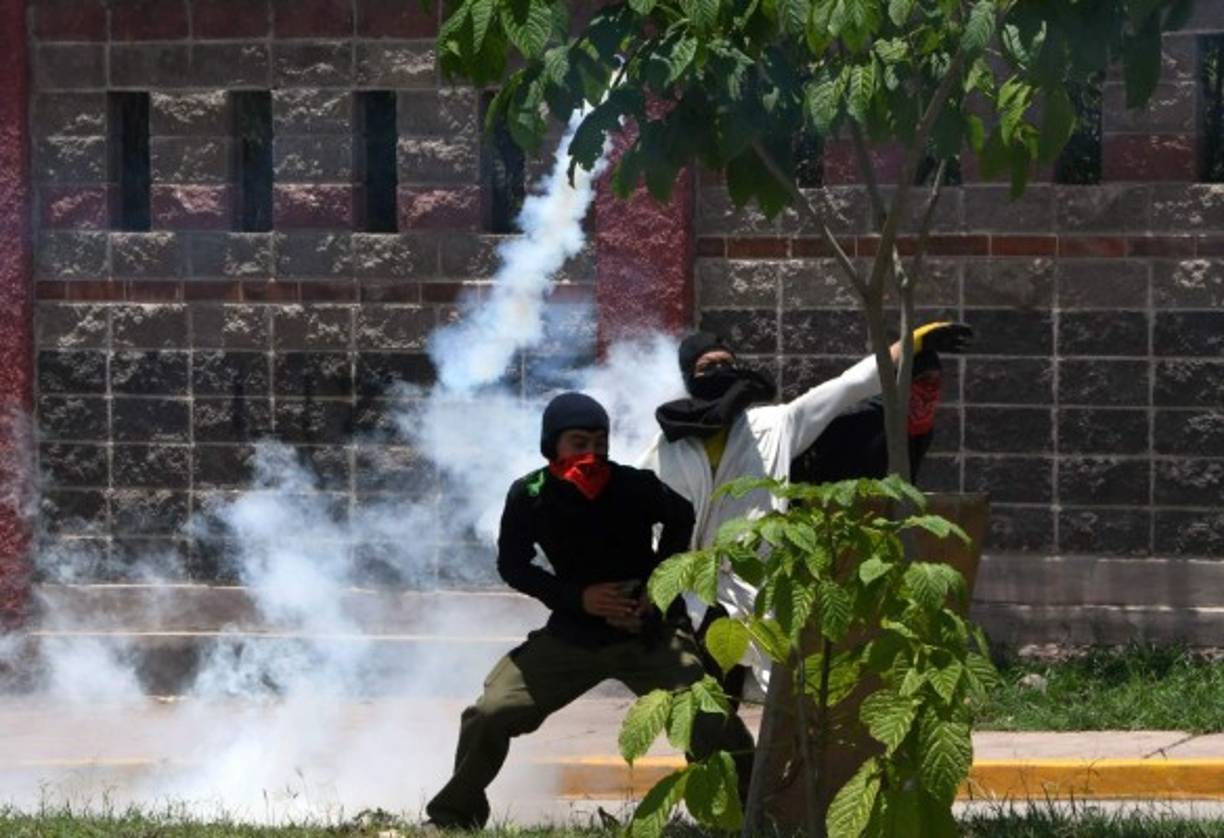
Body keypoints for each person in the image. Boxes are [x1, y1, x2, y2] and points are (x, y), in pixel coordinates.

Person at [425, 392, 756, 829]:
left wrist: (653, 593)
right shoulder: (531, 494)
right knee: (490, 713)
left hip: (647, 634)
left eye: (599, 443)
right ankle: (453, 816)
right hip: (573, 636)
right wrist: (577, 598)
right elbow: (513, 565)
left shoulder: (633, 484)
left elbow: (682, 516)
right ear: (552, 446)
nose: (591, 455)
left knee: (709, 717)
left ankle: (747, 815)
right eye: (578, 443)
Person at [637, 322, 973, 692]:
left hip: (762, 585)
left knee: (792, 699)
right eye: (707, 367)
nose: (719, 373)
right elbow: (638, 518)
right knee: (710, 704)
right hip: (696, 593)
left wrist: (910, 344)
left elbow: (846, 387)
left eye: (725, 363)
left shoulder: (776, 424)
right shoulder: (667, 448)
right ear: (689, 379)